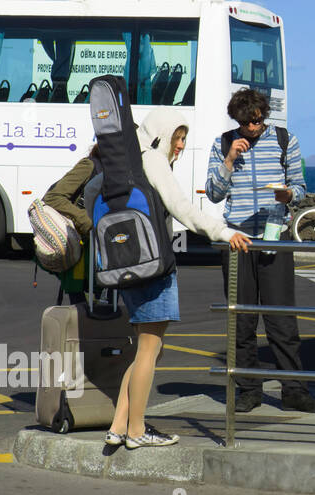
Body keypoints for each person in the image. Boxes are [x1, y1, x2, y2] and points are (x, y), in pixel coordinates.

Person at [106, 108, 252, 448]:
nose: (182, 146)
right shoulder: (153, 161)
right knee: (150, 349)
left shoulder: (124, 160)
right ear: (161, 135)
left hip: (128, 263)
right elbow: (182, 207)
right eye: (178, 138)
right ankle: (137, 431)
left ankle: (118, 425)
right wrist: (221, 230)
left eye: (184, 139)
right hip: (154, 265)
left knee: (145, 350)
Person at [205, 89, 315, 413]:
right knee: (241, 320)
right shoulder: (223, 144)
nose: (252, 128)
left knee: (281, 319)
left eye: (257, 121)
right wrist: (228, 162)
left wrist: (287, 196)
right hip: (238, 240)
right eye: (246, 123)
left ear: (264, 116)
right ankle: (248, 390)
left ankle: (294, 390)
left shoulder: (285, 140)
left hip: (274, 238)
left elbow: (300, 187)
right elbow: (213, 193)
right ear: (237, 120)